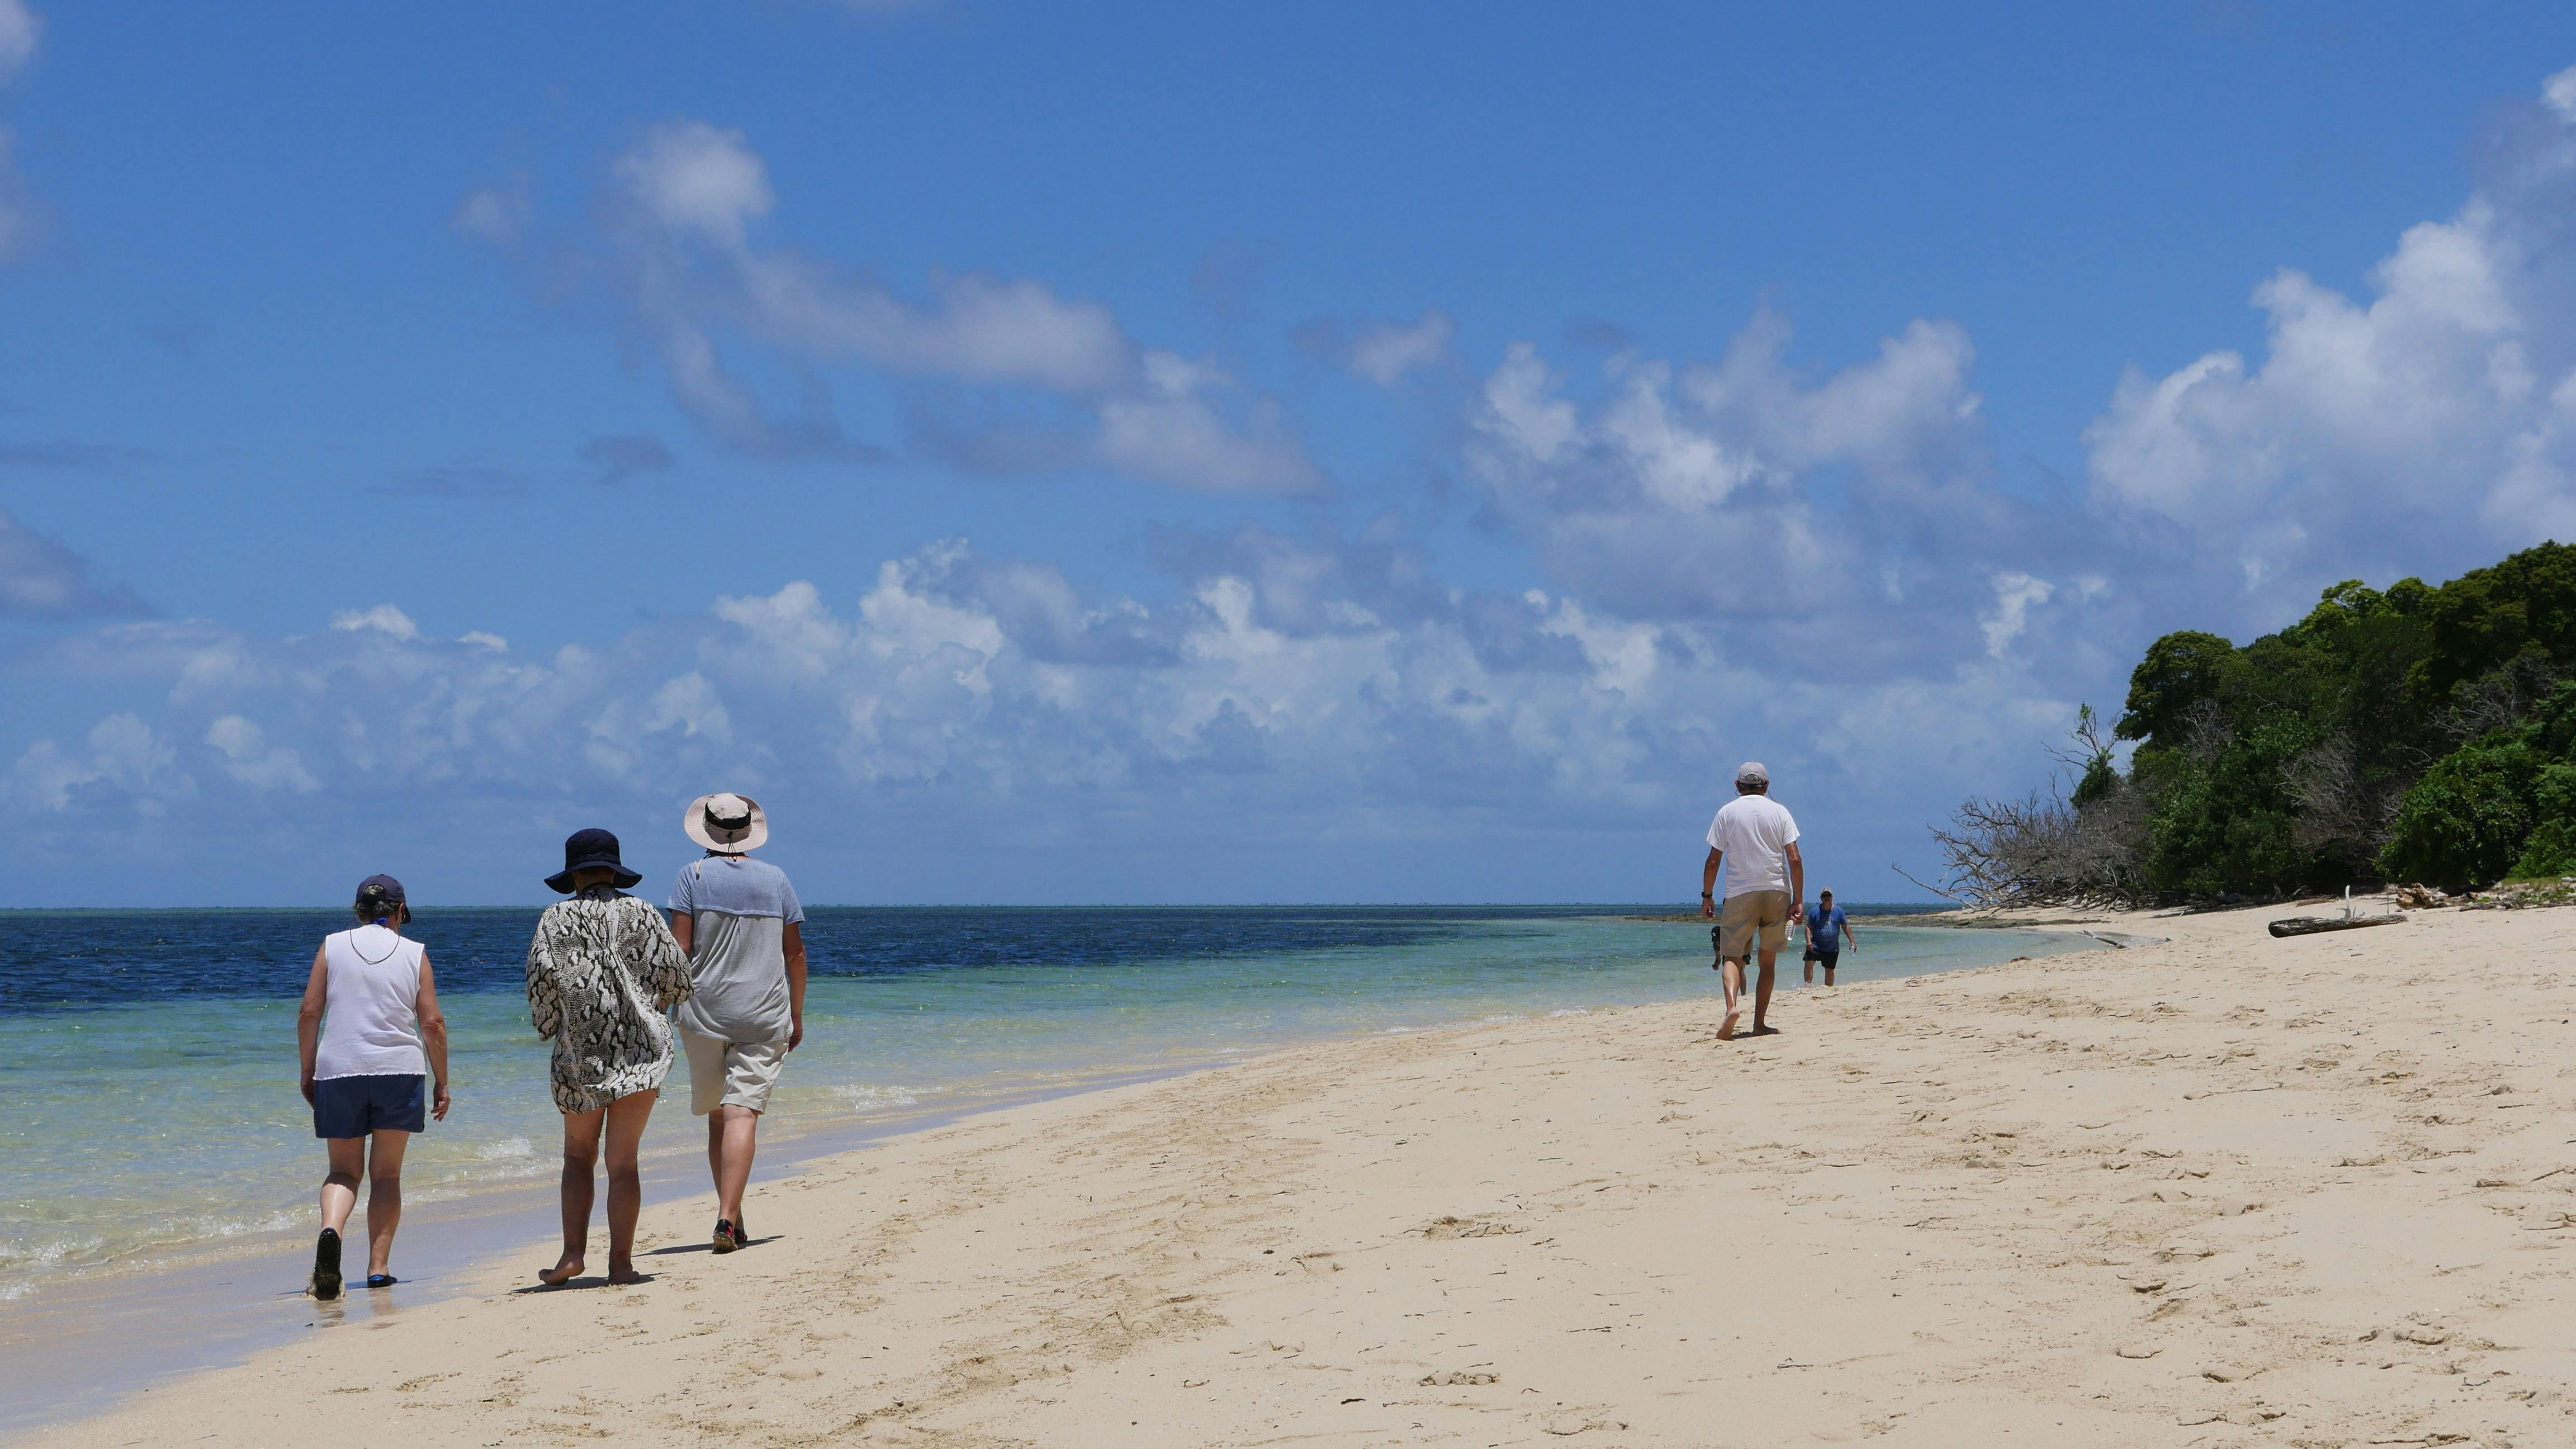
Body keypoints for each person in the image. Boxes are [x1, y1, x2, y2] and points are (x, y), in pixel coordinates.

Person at [526, 828, 694, 1288]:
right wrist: (651, 1004)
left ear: (574, 874)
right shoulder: (642, 911)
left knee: (578, 1157)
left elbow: (541, 983)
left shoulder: (554, 919)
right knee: (624, 1163)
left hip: (581, 1054)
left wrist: (549, 1027)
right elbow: (678, 977)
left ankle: (572, 1256)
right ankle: (621, 1265)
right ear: (614, 870)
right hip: (644, 1050)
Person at [296, 874, 450, 1300]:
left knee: (344, 1171)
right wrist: (442, 1081)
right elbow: (432, 1023)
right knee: (386, 1175)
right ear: (400, 912)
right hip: (398, 1071)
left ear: (358, 911)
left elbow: (310, 1013)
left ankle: (331, 1231)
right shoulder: (414, 952)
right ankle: (378, 1269)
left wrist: (307, 1070)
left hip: (339, 1068)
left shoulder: (332, 945)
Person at [667, 792, 806, 1254]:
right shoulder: (776, 880)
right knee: (742, 1113)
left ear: (705, 831)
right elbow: (796, 955)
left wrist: (657, 1003)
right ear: (748, 830)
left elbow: (679, 951)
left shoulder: (693, 875)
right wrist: (797, 1014)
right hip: (764, 1013)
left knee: (717, 1119)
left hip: (704, 1013)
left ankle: (731, 1216)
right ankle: (731, 1217)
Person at [1698, 761, 1804, 1041]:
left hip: (1740, 893)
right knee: (1767, 962)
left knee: (1732, 956)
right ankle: (1759, 1024)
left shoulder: (1726, 813)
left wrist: (1707, 896)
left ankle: (1732, 1008)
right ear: (1767, 787)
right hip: (1777, 891)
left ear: (1737, 786)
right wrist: (1799, 900)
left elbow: (1713, 861)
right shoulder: (1780, 812)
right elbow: (1794, 859)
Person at [1802, 888, 1857, 986]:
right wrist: (1808, 941)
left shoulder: (1839, 911)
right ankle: (1807, 985)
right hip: (1816, 945)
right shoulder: (1815, 911)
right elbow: (1809, 927)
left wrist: (1852, 941)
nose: (1826, 898)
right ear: (1821, 898)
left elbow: (1845, 927)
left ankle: (1828, 989)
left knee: (1830, 970)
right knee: (1809, 963)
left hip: (1832, 947)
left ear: (1832, 897)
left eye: (1828, 896)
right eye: (1824, 896)